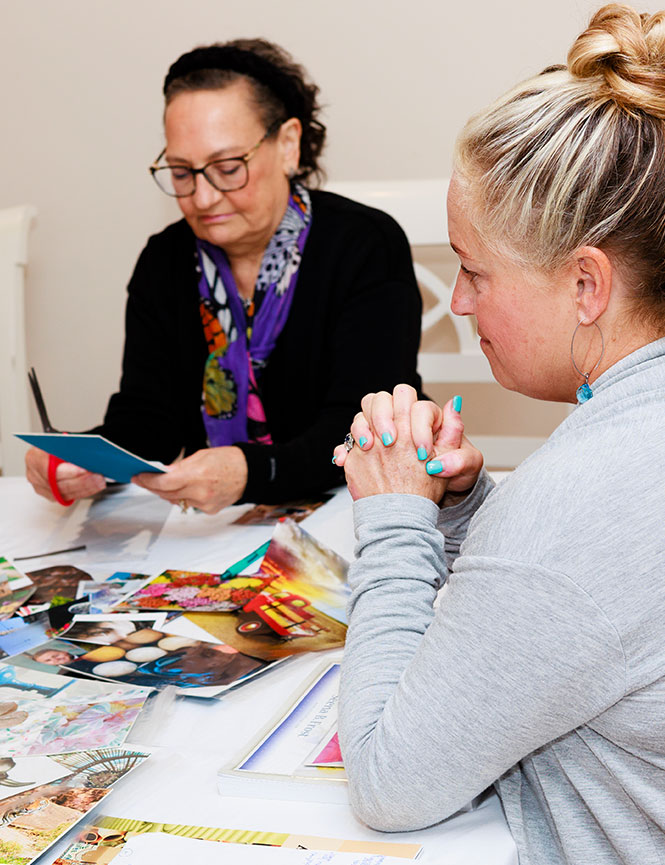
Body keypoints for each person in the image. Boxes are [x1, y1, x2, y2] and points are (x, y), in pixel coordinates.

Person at [333, 6, 665, 864]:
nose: (461, 304)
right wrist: (467, 506)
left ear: (586, 284)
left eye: (474, 271)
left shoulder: (583, 493)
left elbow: (387, 781)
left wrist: (395, 520)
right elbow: (599, 609)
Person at [25, 39, 422, 513]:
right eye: (181, 172)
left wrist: (253, 472)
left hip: (357, 509)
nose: (203, 197)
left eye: (228, 168)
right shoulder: (165, 261)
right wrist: (86, 459)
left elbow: (367, 427)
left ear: (288, 145)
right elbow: (149, 419)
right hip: (215, 529)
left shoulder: (363, 244)